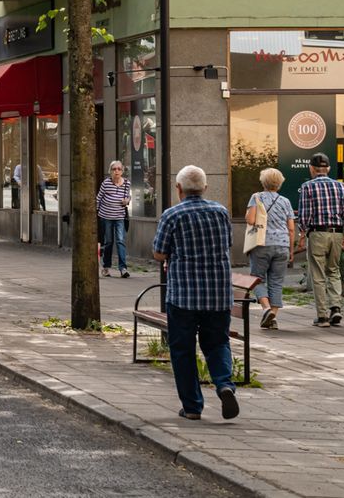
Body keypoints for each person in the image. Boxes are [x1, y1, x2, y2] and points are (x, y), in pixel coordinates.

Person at [152, 165, 238, 421]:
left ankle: (192, 407)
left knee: (183, 350)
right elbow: (229, 243)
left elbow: (159, 252)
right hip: (218, 293)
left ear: (178, 189)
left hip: (184, 295)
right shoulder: (221, 212)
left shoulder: (172, 215)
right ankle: (224, 384)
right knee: (218, 342)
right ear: (205, 188)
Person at [295, 152, 344, 327]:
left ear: (312, 168)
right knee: (334, 271)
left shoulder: (307, 187)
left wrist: (302, 234)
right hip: (337, 233)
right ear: (327, 168)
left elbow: (305, 213)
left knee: (318, 274)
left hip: (317, 233)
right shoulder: (340, 186)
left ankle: (322, 316)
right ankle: (336, 308)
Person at [245, 167, 295, 329]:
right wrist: (291, 250)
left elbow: (251, 220)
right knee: (277, 282)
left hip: (261, 244)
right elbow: (291, 228)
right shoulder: (285, 201)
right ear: (279, 183)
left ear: (263, 182)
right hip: (282, 245)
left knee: (256, 278)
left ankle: (266, 309)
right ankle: (272, 318)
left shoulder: (256, 197)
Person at [97, 160, 131, 278]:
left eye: (119, 169)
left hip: (119, 217)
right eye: (114, 169)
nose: (117, 171)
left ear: (122, 171)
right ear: (110, 171)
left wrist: (127, 201)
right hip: (106, 217)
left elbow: (128, 197)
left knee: (120, 241)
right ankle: (106, 267)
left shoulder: (127, 183)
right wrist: (95, 213)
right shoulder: (106, 183)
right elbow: (99, 199)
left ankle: (123, 268)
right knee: (109, 242)